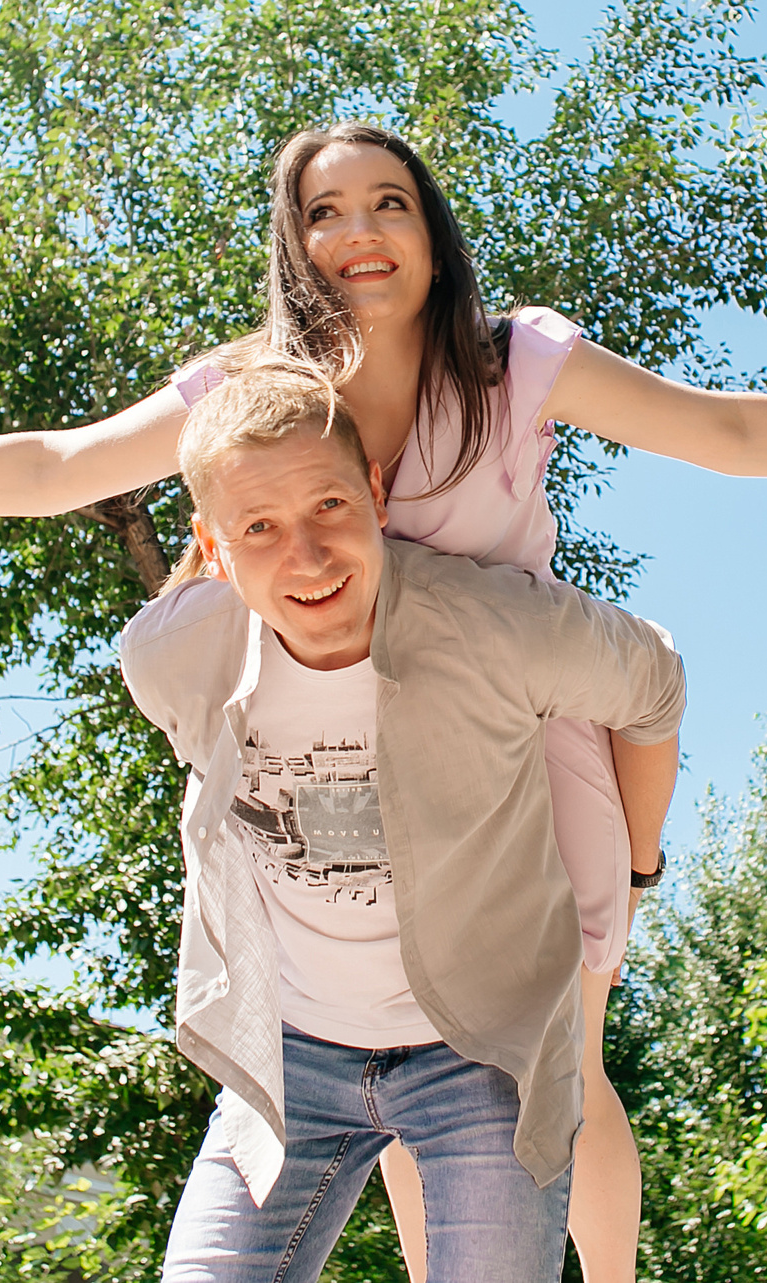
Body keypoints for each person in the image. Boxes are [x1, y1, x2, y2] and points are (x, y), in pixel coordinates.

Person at [0, 120, 767, 1281]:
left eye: (389, 203)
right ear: (294, 246)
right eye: (326, 212)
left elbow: (719, 431)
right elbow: (66, 463)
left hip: (504, 742)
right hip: (330, 751)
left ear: (431, 230)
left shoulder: (512, 363)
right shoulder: (254, 390)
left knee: (548, 1042)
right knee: (395, 1058)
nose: (359, 232)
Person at [125, 359, 686, 1281]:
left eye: (330, 508)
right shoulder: (173, 655)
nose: (306, 557)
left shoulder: (494, 629)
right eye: (259, 527)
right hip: (292, 1058)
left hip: (480, 1053)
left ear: (376, 491)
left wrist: (639, 865)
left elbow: (656, 684)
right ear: (214, 550)